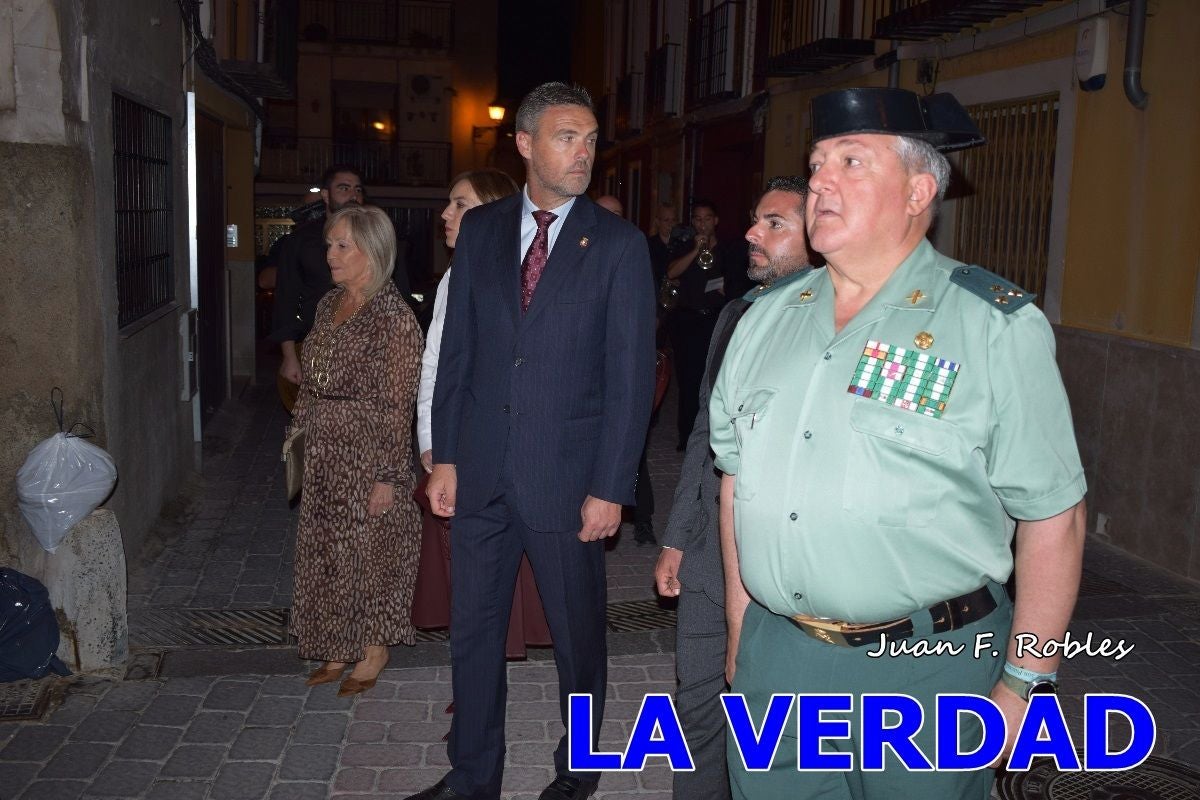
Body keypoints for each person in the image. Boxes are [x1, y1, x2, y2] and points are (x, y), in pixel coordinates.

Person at [709, 87, 1087, 799]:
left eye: (851, 161)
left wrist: (1024, 685)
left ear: (918, 191)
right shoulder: (762, 323)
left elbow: (1053, 515)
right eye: (818, 163)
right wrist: (740, 629)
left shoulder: (991, 324)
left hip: (933, 669)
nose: (821, 179)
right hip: (781, 664)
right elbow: (735, 478)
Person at [410, 82, 656, 800]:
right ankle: (473, 777)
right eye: (564, 137)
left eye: (588, 139)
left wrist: (612, 488)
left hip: (568, 479)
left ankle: (577, 773)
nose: (582, 152)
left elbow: (630, 379)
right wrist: (445, 455)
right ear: (524, 145)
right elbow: (458, 354)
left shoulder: (618, 245)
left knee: (579, 644)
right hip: (481, 472)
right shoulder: (483, 233)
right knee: (474, 634)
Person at [654, 175, 813, 800]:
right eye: (756, 219)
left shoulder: (838, 325)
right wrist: (675, 538)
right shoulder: (735, 315)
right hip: (710, 555)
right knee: (697, 708)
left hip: (785, 562)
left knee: (771, 726)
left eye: (775, 223)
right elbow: (705, 434)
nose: (752, 232)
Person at [411, 169, 552, 661]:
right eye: (449, 204)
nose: (446, 215)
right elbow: (439, 361)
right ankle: (479, 660)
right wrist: (432, 438)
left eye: (461, 205)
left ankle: (481, 658)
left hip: (478, 437)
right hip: (462, 437)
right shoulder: (461, 272)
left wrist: (437, 440)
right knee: (471, 561)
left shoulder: (500, 270)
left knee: (476, 562)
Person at [289, 204, 424, 697]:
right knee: (326, 551)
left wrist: (388, 476)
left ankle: (372, 649)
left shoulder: (394, 319)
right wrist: (298, 434)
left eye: (342, 245)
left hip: (368, 451)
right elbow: (310, 378)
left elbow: (397, 405)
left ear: (372, 251)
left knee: (369, 554)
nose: (331, 254)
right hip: (324, 449)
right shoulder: (328, 305)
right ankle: (336, 642)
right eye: (330, 244)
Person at [271, 166, 365, 411]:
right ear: (325, 195)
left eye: (357, 189)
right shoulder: (301, 241)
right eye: (343, 188)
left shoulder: (377, 239)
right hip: (315, 351)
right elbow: (286, 298)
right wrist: (290, 356)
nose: (353, 194)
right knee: (315, 431)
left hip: (366, 352)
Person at [592, 194, 657, 546]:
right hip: (586, 387)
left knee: (631, 454)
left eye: (616, 214)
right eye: (604, 214)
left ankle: (643, 519)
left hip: (617, 380)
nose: (610, 220)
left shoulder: (629, 250)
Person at [665, 199, 749, 450]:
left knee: (713, 379)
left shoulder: (728, 249)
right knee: (688, 381)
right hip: (687, 320)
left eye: (707, 218)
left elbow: (738, 281)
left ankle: (712, 435)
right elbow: (671, 273)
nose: (703, 224)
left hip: (714, 320)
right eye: (698, 219)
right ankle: (686, 436)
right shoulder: (684, 245)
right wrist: (694, 250)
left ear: (716, 221)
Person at [646, 201, 679, 288]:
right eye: (666, 220)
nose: (670, 225)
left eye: (673, 220)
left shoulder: (682, 244)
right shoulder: (650, 244)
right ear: (657, 222)